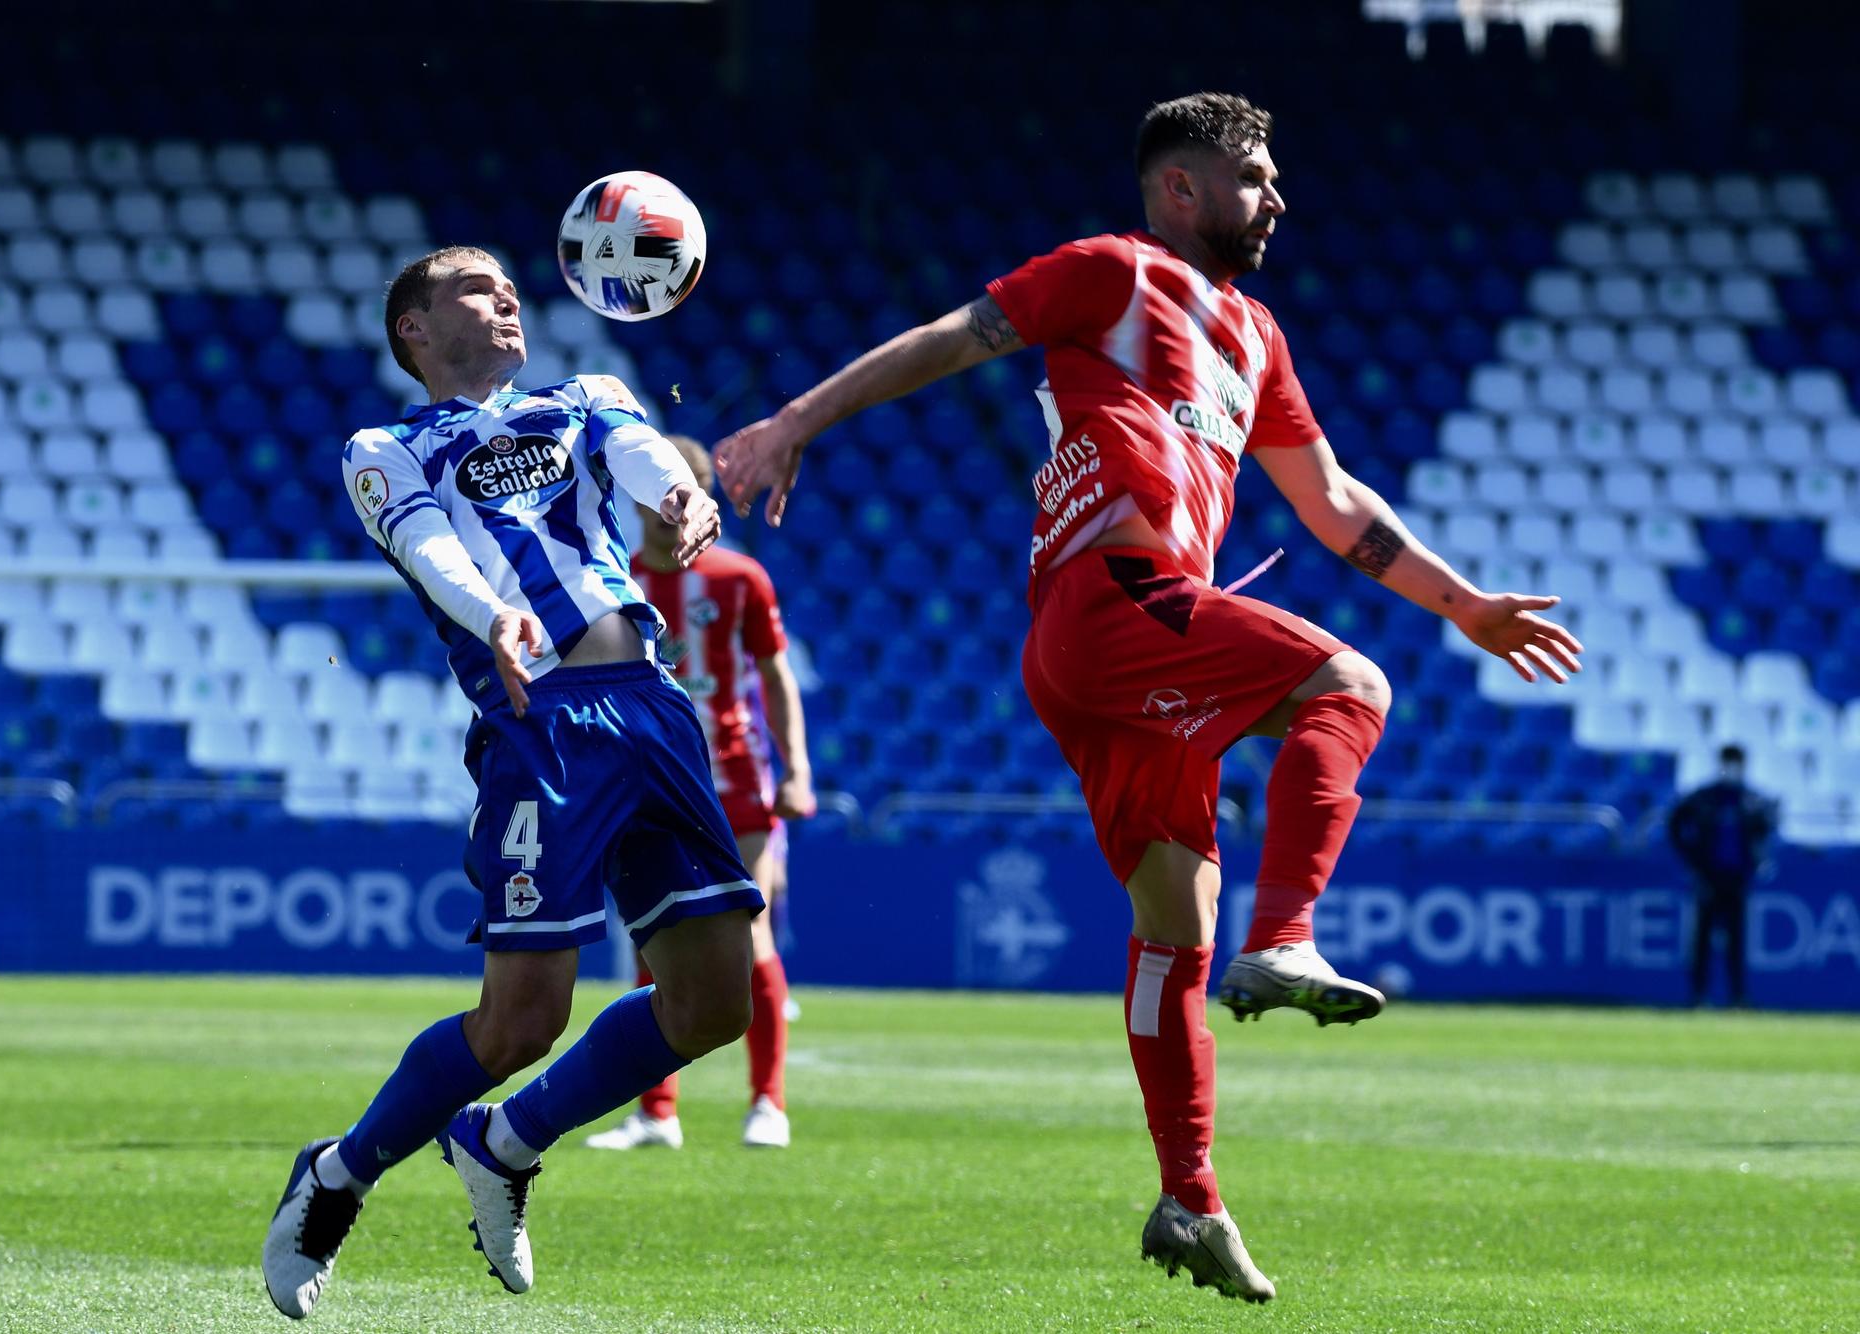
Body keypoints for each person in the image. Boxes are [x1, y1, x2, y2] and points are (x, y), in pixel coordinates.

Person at [715, 93, 1583, 1303]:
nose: (1275, 197)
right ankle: (1283, 939)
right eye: (1254, 177)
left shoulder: (1256, 335)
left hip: (1105, 653)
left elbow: (1328, 499)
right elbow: (952, 338)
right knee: (1349, 681)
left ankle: (1188, 1196)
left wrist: (1464, 603)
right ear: (1180, 188)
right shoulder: (1111, 272)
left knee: (1172, 925)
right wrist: (795, 419)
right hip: (1116, 597)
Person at [261, 246, 765, 1319]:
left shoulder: (586, 397)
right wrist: (489, 611)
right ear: (413, 328)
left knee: (715, 999)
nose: (504, 301)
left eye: (507, 289)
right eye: (473, 290)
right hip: (538, 720)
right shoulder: (384, 447)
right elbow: (430, 546)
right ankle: (337, 1173)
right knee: (521, 1017)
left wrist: (684, 508)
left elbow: (645, 464)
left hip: (652, 707)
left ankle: (502, 1140)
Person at [587, 434, 816, 1151]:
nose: (665, 507)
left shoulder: (740, 578)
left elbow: (777, 677)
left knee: (751, 935)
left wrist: (797, 768)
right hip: (647, 785)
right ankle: (657, 1112)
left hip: (736, 780)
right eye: (655, 492)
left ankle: (767, 1103)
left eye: (681, 490)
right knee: (651, 943)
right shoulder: (610, 585)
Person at [1668, 744, 1777, 1007]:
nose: (1731, 769)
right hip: (1708, 876)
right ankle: (1698, 995)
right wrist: (1691, 859)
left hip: (1737, 879)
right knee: (1702, 940)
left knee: (1737, 941)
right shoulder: (1704, 798)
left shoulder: (1751, 801)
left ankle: (1738, 996)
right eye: (1728, 762)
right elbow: (1675, 823)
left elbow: (1763, 831)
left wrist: (1756, 859)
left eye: (1736, 763)